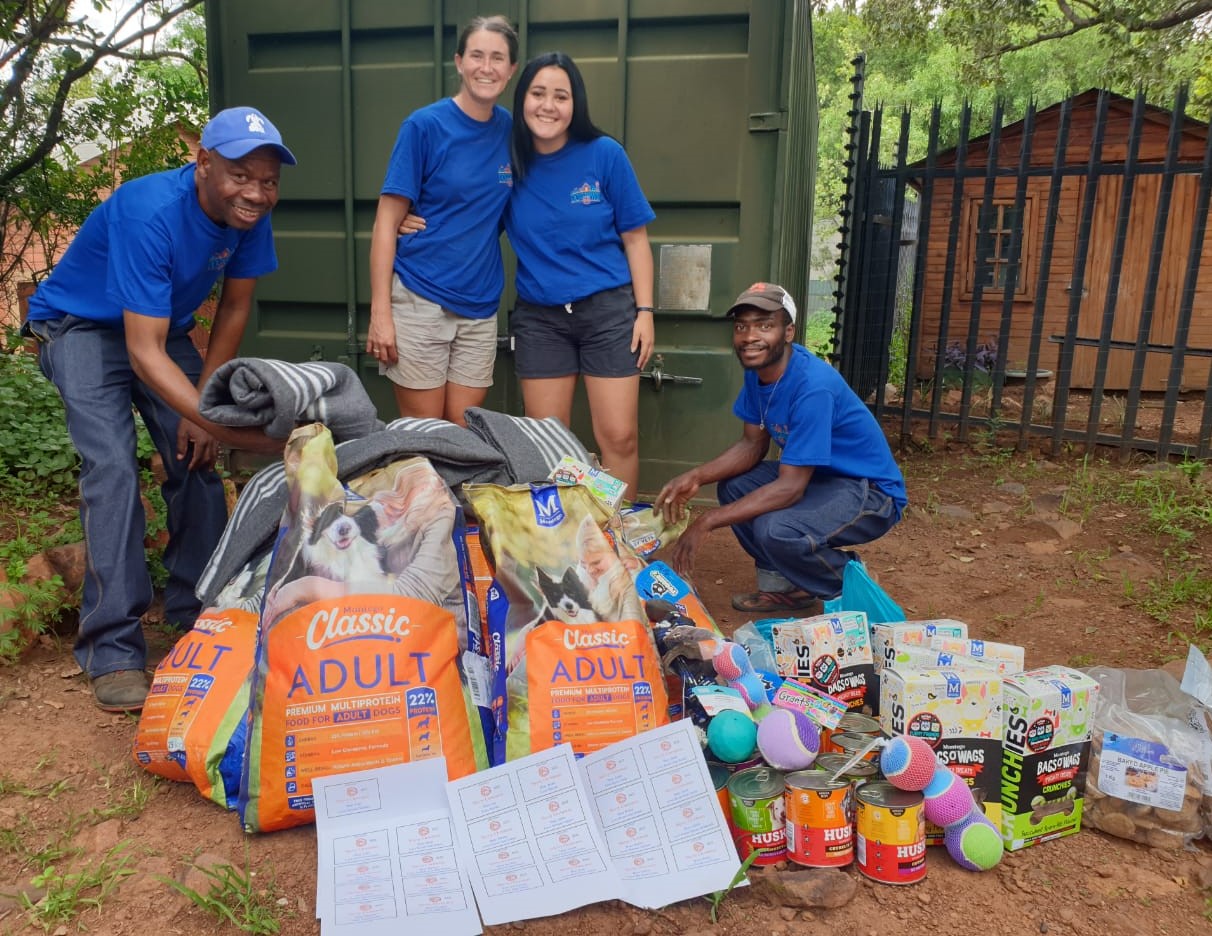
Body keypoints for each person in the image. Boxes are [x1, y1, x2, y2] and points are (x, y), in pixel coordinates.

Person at [24, 106, 296, 712]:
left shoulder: (249, 215)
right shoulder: (148, 211)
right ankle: (113, 650)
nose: (256, 191)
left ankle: (195, 606)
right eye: (240, 175)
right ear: (202, 163)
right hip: (80, 327)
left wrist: (207, 413)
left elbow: (230, 311)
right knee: (113, 469)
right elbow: (143, 353)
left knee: (195, 454)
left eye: (268, 180)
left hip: (158, 326)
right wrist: (206, 414)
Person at [654, 282, 907, 615]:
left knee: (777, 530)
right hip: (823, 479)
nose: (749, 336)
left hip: (871, 491)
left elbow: (789, 488)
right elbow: (752, 444)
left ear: (788, 332)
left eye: (764, 325)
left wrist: (707, 521)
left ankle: (851, 585)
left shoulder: (813, 387)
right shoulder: (759, 372)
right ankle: (786, 588)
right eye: (742, 326)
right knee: (735, 486)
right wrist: (697, 476)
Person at [503, 51, 655, 498]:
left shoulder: (605, 155)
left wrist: (644, 312)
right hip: (540, 320)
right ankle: (563, 549)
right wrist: (410, 216)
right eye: (537, 93)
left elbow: (636, 240)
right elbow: (467, 208)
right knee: (549, 446)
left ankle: (618, 545)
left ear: (576, 104)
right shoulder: (507, 162)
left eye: (560, 95)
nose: (548, 105)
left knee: (619, 438)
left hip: (609, 314)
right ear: (522, 100)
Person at [366, 15, 519, 425]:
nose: (486, 67)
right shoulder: (424, 126)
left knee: (463, 433)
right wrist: (381, 313)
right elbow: (385, 222)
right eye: (477, 55)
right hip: (420, 298)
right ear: (459, 61)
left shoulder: (514, 132)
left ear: (511, 70)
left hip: (480, 306)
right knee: (426, 438)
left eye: (498, 58)